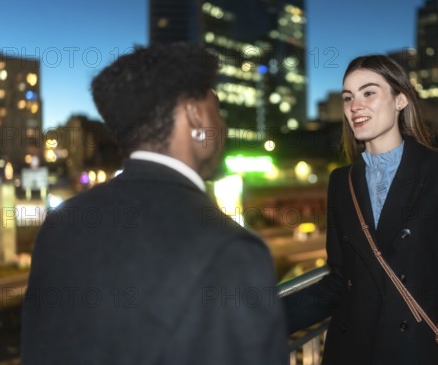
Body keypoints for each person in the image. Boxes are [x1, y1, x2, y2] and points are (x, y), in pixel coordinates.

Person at [21, 43, 288, 365]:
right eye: (217, 109)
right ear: (196, 115)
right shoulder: (230, 249)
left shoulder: (62, 223)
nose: (223, 125)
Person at [284, 55, 438, 364]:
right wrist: (264, 316)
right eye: (348, 97)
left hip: (417, 352)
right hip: (350, 352)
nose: (355, 105)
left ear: (400, 100)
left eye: (368, 92)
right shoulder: (341, 182)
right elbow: (339, 281)